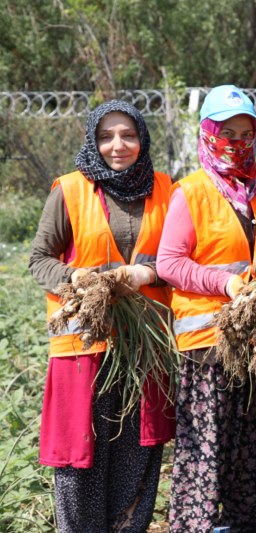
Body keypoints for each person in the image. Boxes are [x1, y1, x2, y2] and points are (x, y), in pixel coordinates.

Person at [28, 100, 174, 532]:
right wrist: (79, 281)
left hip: (145, 346)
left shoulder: (166, 188)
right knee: (81, 453)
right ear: (93, 141)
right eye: (106, 136)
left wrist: (146, 272)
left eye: (128, 135)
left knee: (136, 450)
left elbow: (182, 254)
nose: (118, 145)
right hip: (85, 345)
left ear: (142, 140)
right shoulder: (70, 189)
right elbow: (39, 259)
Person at [155, 85, 256, 532]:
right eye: (225, 132)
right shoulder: (190, 192)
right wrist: (225, 282)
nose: (235, 142)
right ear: (207, 133)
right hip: (208, 346)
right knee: (206, 453)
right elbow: (170, 263)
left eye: (245, 133)